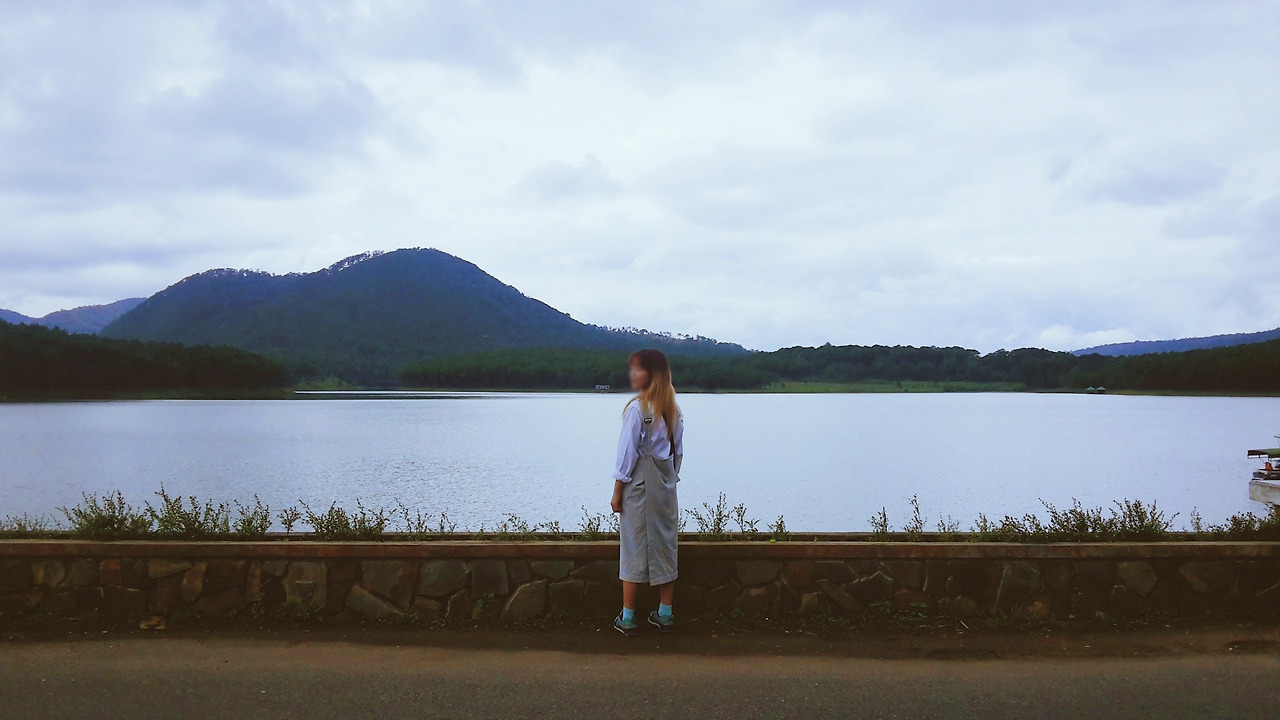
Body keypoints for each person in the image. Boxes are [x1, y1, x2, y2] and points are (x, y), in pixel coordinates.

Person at [610, 348, 683, 636]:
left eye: (638, 369)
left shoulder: (637, 410)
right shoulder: (674, 411)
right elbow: (678, 455)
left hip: (638, 489)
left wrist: (617, 492)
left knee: (633, 546)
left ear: (652, 374)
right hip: (665, 489)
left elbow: (626, 456)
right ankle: (665, 613)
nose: (633, 374)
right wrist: (668, 480)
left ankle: (628, 618)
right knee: (665, 546)